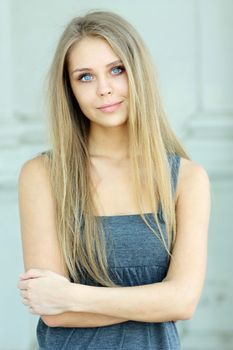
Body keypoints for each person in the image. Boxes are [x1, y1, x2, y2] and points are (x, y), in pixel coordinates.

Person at [17, 10, 211, 350]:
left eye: (116, 70)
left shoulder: (187, 180)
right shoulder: (43, 175)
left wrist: (71, 295)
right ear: (70, 89)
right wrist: (154, 301)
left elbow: (182, 302)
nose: (104, 89)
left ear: (138, 73)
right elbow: (54, 312)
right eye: (85, 77)